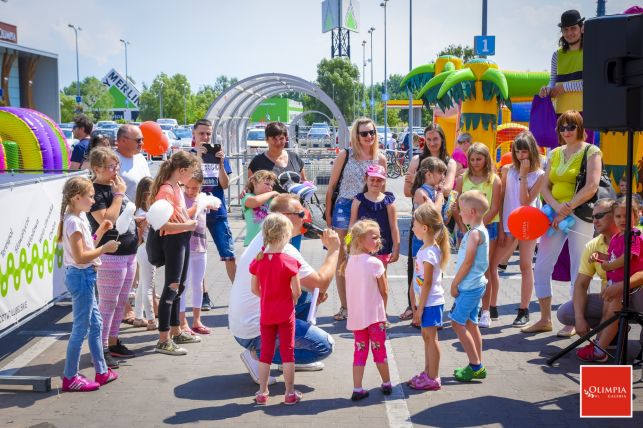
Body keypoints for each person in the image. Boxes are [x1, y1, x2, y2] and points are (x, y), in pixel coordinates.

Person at [229, 194, 339, 384]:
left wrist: (313, 291)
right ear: (286, 217)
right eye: (301, 213)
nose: (306, 218)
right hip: (256, 332)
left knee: (308, 294)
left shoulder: (265, 238)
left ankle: (285, 357)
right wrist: (334, 250)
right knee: (325, 345)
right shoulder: (284, 249)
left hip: (244, 327)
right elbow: (321, 282)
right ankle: (258, 355)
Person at [524, 111, 602, 336]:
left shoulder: (592, 150)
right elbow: (545, 187)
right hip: (552, 215)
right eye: (562, 128)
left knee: (579, 267)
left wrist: (566, 208)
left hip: (580, 215)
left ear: (580, 128)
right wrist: (557, 210)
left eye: (571, 127)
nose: (566, 131)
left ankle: (573, 318)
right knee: (541, 266)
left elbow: (592, 186)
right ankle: (545, 318)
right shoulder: (555, 153)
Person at [58, 176, 120, 392]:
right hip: (81, 276)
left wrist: (101, 231)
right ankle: (70, 377)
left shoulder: (78, 217)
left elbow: (87, 245)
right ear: (77, 197)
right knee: (81, 329)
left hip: (85, 276)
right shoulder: (73, 221)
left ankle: (101, 371)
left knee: (96, 324)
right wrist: (105, 249)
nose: (93, 201)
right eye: (90, 196)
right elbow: (81, 257)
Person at [325, 117, 387, 321]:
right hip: (343, 211)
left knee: (368, 257)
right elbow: (332, 186)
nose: (369, 136)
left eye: (372, 132)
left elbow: (382, 190)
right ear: (356, 136)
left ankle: (368, 305)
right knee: (343, 257)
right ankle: (345, 306)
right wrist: (328, 217)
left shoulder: (380, 158)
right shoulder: (346, 155)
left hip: (367, 209)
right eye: (364, 133)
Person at [87, 147, 138, 368]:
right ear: (96, 168)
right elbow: (106, 221)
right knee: (107, 304)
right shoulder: (96, 192)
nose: (115, 170)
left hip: (129, 251)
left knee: (121, 302)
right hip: (110, 255)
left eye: (116, 165)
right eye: (110, 166)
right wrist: (118, 195)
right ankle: (102, 347)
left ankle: (114, 341)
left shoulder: (116, 186)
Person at [402, 124, 457, 321]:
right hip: (420, 221)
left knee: (434, 265)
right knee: (414, 264)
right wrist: (412, 184)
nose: (433, 143)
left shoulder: (449, 162)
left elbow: (449, 188)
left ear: (442, 139)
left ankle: (431, 304)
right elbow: (407, 191)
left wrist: (439, 190)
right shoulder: (417, 160)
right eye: (429, 139)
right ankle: (413, 305)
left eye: (436, 138)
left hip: (439, 222)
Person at [491, 131, 545, 327]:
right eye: (518, 151)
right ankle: (491, 306)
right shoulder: (507, 170)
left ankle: (524, 309)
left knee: (524, 265)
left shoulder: (539, 175)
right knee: (494, 264)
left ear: (532, 152)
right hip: (507, 224)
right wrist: (500, 225)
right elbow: (502, 197)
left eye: (525, 151)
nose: (522, 156)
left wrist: (523, 176)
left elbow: (525, 201)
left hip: (529, 224)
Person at [150, 151, 199, 355]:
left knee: (179, 287)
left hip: (181, 238)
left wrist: (192, 216)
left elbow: (178, 216)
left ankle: (176, 330)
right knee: (171, 287)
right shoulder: (166, 190)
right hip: (173, 240)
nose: (192, 178)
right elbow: (162, 224)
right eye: (191, 173)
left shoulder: (176, 187)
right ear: (182, 171)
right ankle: (163, 339)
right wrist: (188, 225)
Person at [250, 214, 302, 405]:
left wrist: (267, 297)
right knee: (288, 352)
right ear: (286, 235)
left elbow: (254, 289)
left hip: (267, 313)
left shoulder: (259, 259)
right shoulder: (289, 261)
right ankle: (289, 393)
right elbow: (296, 291)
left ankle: (262, 392)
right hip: (286, 312)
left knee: (266, 353)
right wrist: (291, 299)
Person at [454, 143, 502, 328]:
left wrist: (478, 226)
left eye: (479, 159)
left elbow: (495, 206)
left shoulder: (494, 179)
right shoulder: (462, 178)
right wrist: (463, 227)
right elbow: (457, 205)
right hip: (465, 228)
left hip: (487, 228)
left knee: (485, 269)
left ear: (486, 159)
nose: (475, 163)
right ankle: (464, 305)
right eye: (472, 159)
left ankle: (486, 310)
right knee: (464, 267)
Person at [344, 219, 391, 401]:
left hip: (357, 318)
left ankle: (357, 388)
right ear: (360, 240)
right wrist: (384, 310)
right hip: (375, 316)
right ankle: (386, 383)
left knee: (359, 350)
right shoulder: (375, 263)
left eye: (379, 237)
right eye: (374, 237)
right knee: (379, 349)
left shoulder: (349, 263)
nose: (379, 240)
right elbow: (384, 291)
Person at [192, 119, 234, 310]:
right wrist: (199, 160)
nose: (205, 137)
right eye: (201, 134)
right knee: (198, 255)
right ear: (194, 135)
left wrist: (221, 163)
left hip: (218, 211)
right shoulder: (188, 157)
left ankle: (239, 292)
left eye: (208, 134)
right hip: (195, 212)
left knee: (229, 253)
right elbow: (188, 183)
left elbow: (225, 185)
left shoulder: (219, 156)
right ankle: (204, 295)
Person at [407, 204, 450, 391]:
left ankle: (433, 377)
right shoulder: (425, 249)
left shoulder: (430, 252)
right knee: (427, 337)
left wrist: (420, 308)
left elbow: (428, 283)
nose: (412, 227)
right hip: (427, 303)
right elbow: (419, 279)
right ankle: (428, 372)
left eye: (414, 224)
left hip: (431, 303)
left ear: (425, 228)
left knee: (431, 339)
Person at [449, 190, 489, 382]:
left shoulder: (474, 234)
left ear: (472, 212)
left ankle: (475, 365)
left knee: (457, 323)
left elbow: (468, 262)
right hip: (475, 285)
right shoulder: (478, 231)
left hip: (470, 286)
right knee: (472, 324)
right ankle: (477, 364)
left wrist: (454, 283)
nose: (460, 213)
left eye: (462, 210)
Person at [539, 10, 593, 143]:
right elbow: (553, 81)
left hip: (584, 113)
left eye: (573, 28)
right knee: (560, 157)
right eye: (565, 29)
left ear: (582, 28)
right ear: (562, 32)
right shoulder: (556, 55)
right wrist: (547, 89)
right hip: (560, 114)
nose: (569, 33)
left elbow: (593, 83)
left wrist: (566, 87)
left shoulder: (592, 51)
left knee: (583, 157)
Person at [178, 170, 215, 336]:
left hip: (200, 245)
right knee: (183, 285)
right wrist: (198, 205)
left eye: (195, 188)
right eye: (188, 187)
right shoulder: (180, 197)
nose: (191, 191)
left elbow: (215, 205)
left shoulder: (202, 198)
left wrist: (207, 203)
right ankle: (181, 321)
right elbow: (184, 215)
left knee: (198, 284)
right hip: (184, 246)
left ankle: (197, 320)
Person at [349, 164, 400, 268]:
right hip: (361, 247)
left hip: (382, 247)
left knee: (381, 276)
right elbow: (352, 225)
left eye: (379, 180)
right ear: (366, 179)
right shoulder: (358, 200)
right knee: (363, 277)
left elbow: (394, 227)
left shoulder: (388, 202)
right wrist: (348, 244)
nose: (375, 183)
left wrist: (396, 248)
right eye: (372, 179)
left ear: (384, 181)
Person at [132, 177, 157, 331]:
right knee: (148, 285)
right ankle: (151, 320)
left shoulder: (140, 212)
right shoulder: (146, 214)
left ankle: (138, 316)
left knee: (143, 284)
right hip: (147, 250)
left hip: (142, 250)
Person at [114, 124, 151, 202]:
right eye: (138, 140)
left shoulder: (140, 158)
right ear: (123, 140)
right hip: (124, 212)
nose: (142, 143)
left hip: (143, 212)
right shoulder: (111, 161)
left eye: (142, 140)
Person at [242, 170, 279, 246]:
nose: (270, 187)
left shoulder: (272, 199)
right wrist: (273, 192)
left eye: (271, 186)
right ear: (254, 182)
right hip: (253, 241)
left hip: (271, 242)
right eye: (267, 184)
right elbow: (256, 202)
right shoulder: (247, 196)